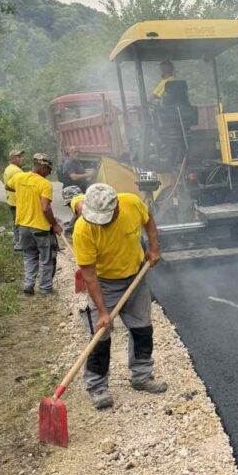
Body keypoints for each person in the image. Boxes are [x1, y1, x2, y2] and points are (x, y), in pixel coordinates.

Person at [73, 183, 166, 410]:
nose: (99, 223)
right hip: (104, 283)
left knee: (142, 329)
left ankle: (141, 377)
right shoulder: (84, 229)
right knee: (100, 336)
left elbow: (149, 220)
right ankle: (97, 387)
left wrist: (153, 247)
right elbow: (89, 276)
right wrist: (104, 312)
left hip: (135, 276)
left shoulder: (131, 203)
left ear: (115, 208)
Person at [10, 153, 62, 296]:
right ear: (42, 166)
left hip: (23, 226)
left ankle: (28, 286)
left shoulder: (19, 177)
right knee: (46, 258)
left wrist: (23, 191)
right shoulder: (44, 184)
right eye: (48, 169)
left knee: (29, 255)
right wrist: (55, 224)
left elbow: (8, 185)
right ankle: (45, 289)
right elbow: (45, 208)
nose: (50, 173)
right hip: (40, 227)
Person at [2, 149, 24, 251]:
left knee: (16, 223)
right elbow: (23, 185)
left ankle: (17, 243)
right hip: (17, 201)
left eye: (21, 156)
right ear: (12, 159)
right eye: (18, 157)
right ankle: (19, 245)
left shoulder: (8, 168)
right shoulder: (16, 171)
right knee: (20, 223)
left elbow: (4, 182)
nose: (21, 159)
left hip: (11, 200)